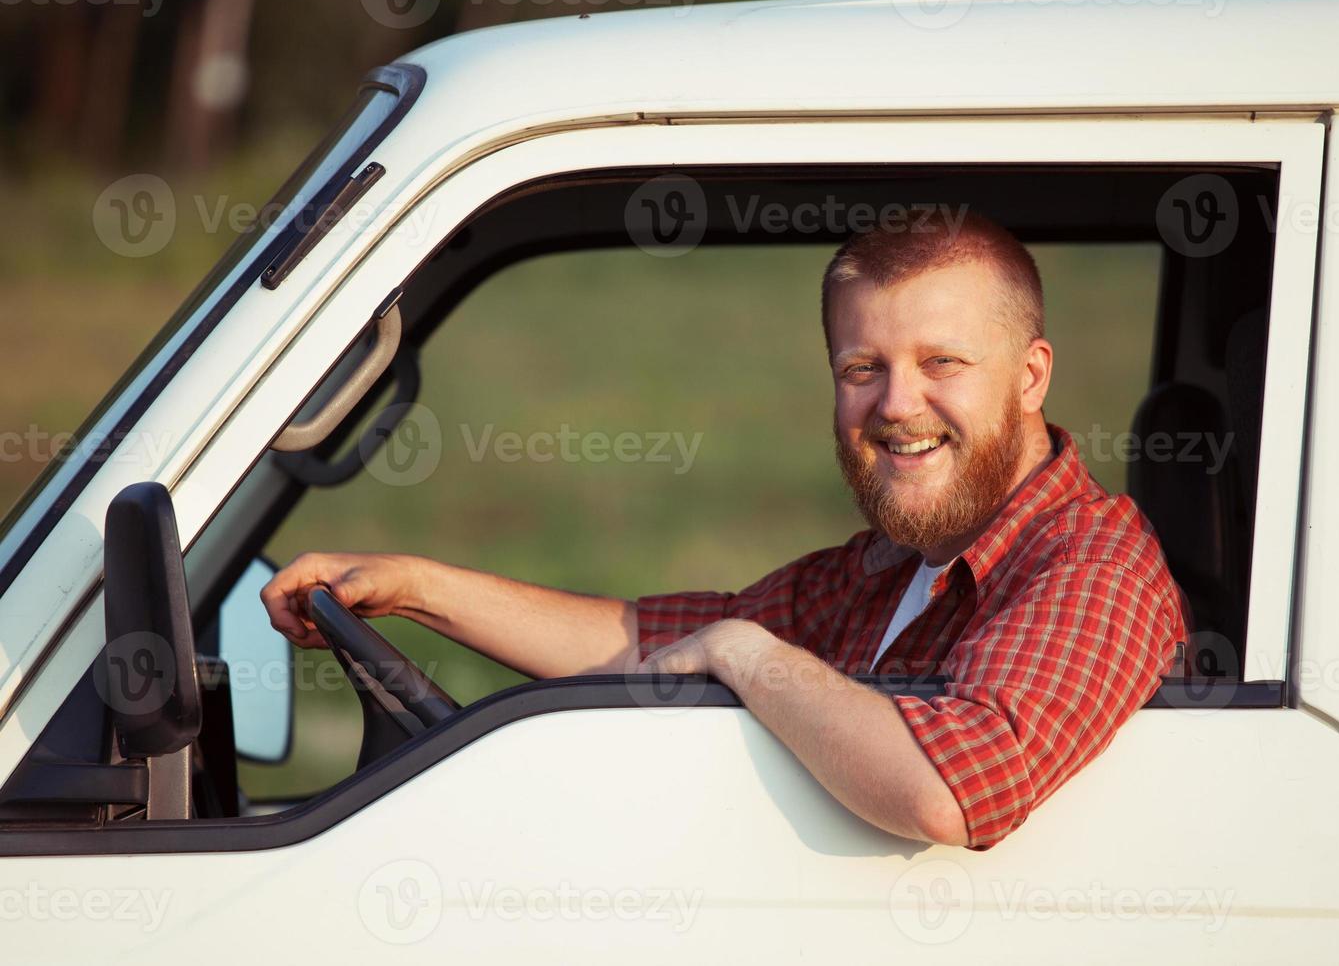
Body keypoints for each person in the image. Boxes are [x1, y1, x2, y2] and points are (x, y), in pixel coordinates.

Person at [261, 212, 1188, 850]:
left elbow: (946, 792)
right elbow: (646, 641)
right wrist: (416, 586)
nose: (897, 404)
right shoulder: (896, 563)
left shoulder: (1093, 564)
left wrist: (747, 654)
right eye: (863, 366)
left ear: (1030, 376)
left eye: (941, 361)